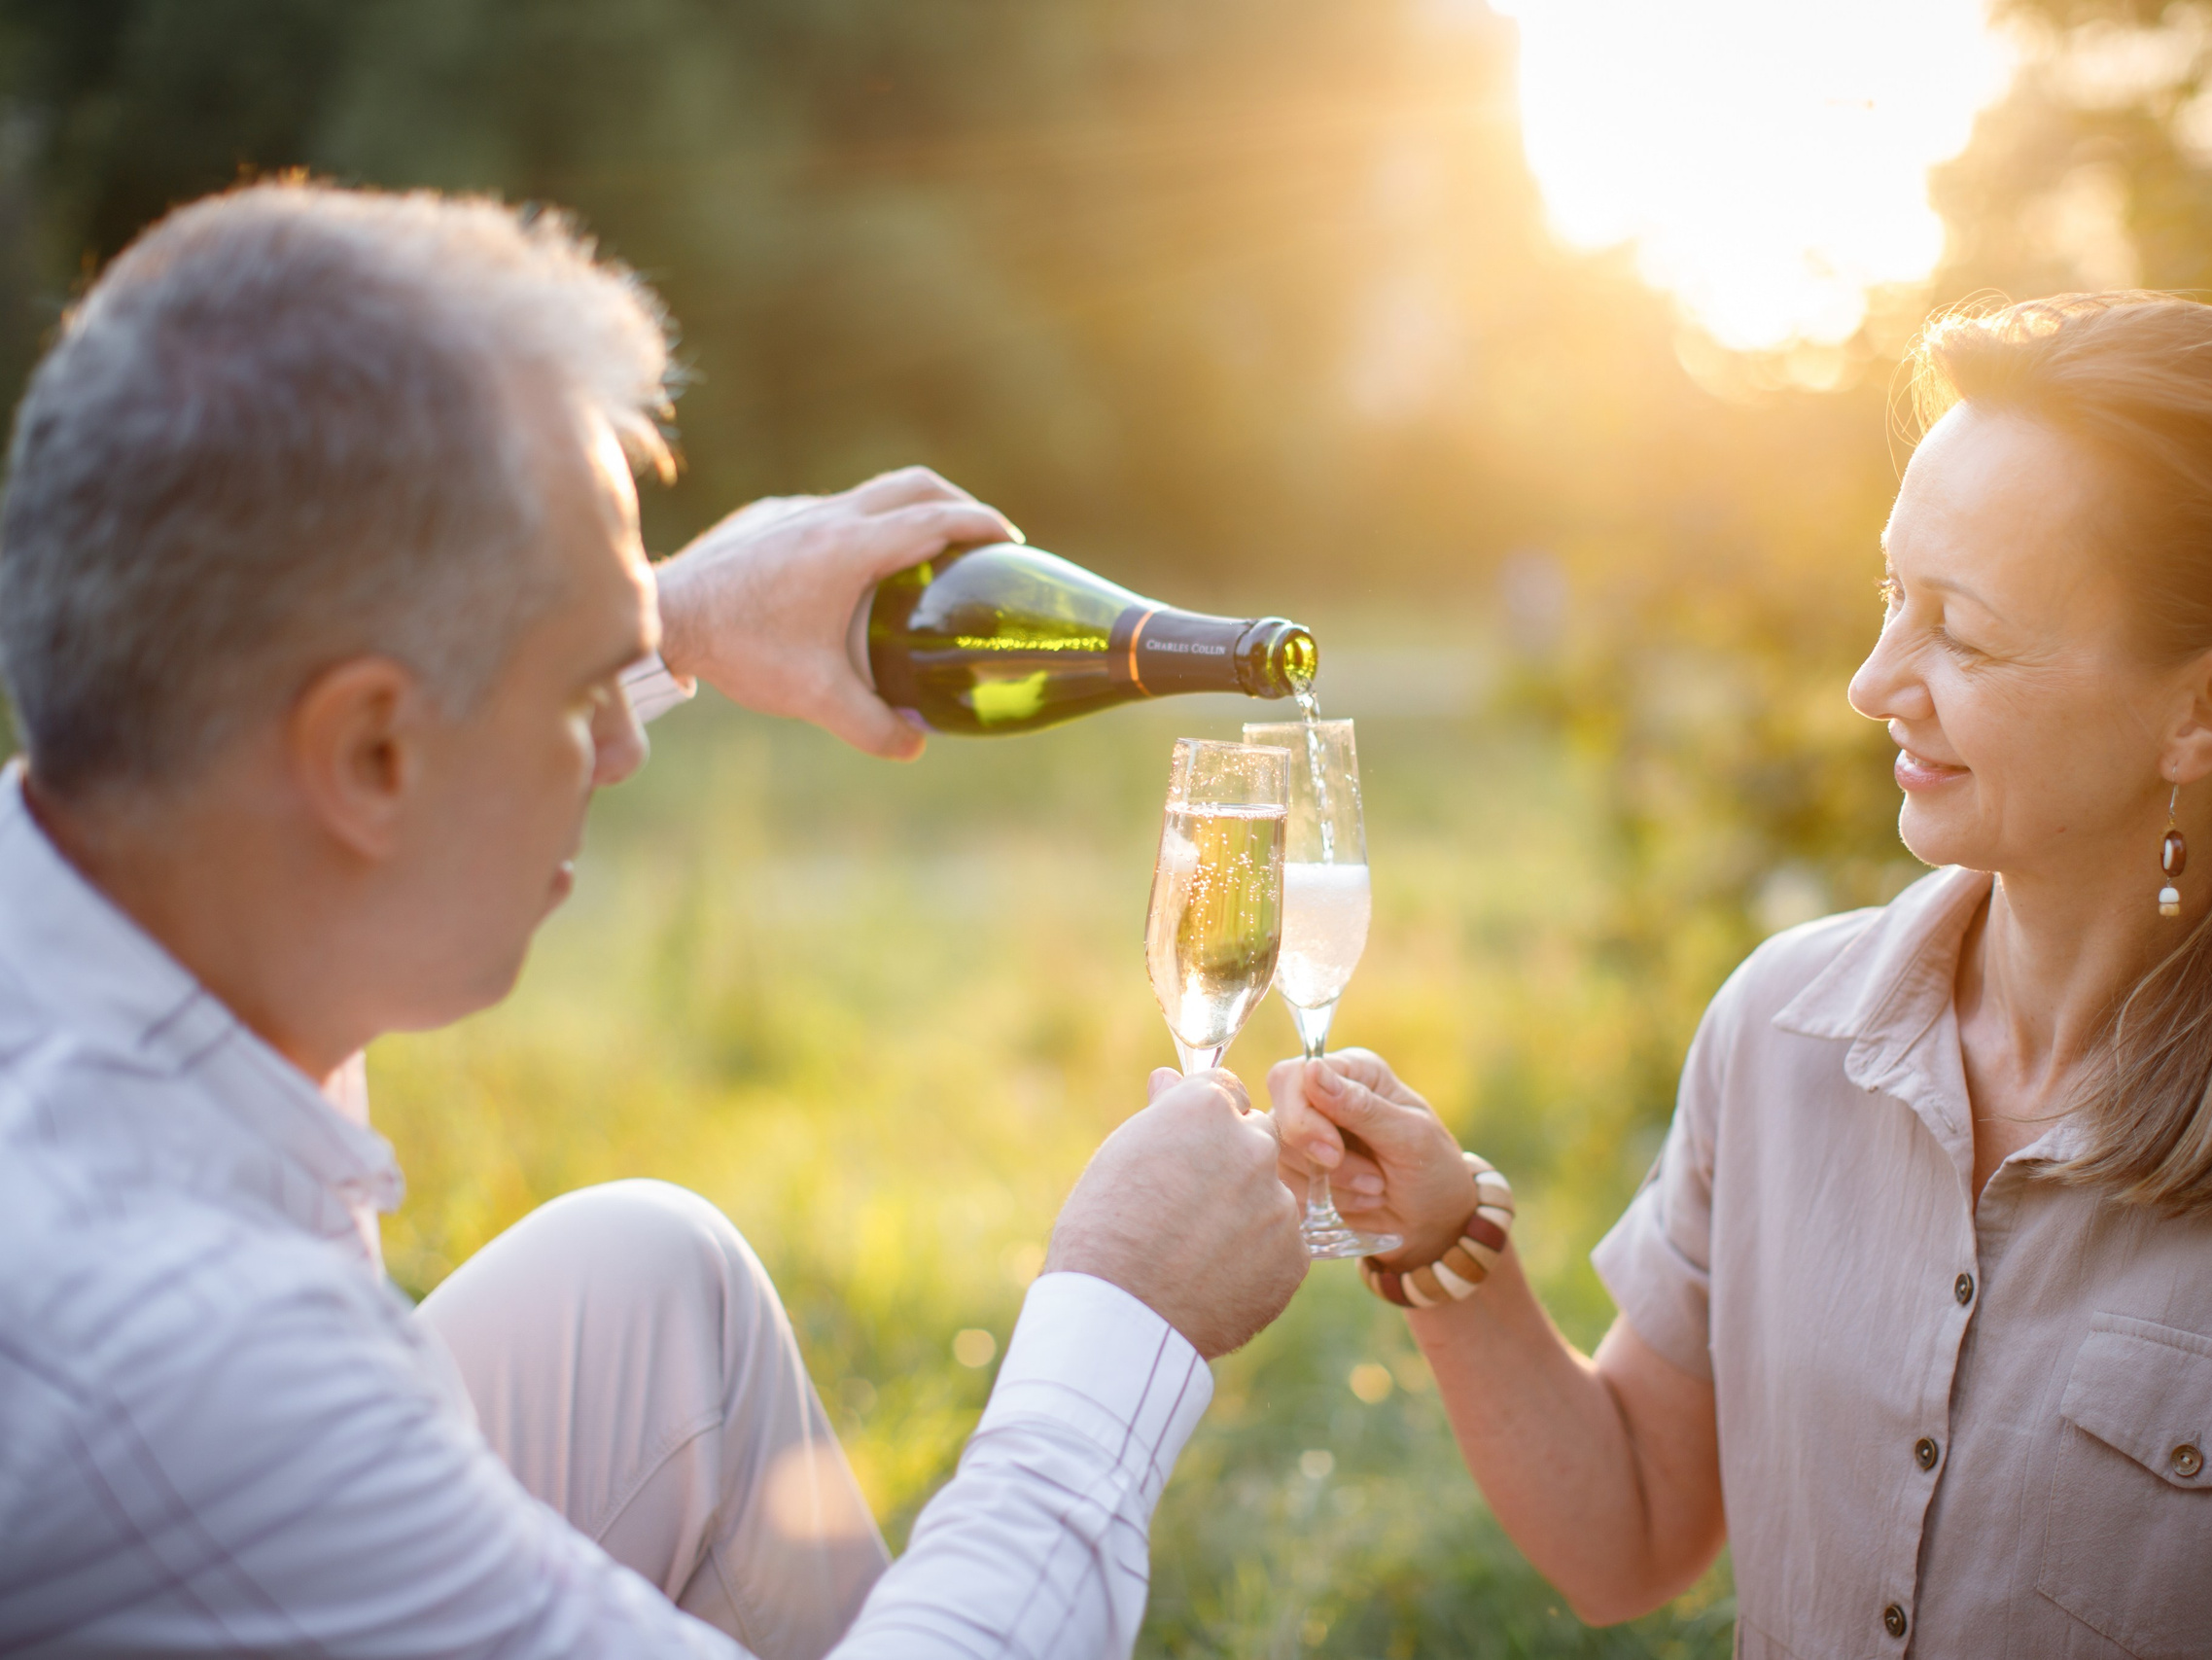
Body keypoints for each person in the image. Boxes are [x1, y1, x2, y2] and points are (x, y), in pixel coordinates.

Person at [0, 181, 1309, 1656]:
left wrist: (671, 615)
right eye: (585, 695)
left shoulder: (100, 878)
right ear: (368, 755)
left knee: (649, 1286)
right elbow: (228, 1405)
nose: (623, 749)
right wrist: (1121, 1323)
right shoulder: (195, 1358)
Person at [1272, 294, 2212, 1657]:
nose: (1871, 681)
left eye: (1960, 631)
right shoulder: (1775, 1030)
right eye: (1892, 597)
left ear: (2206, 710)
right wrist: (1442, 1237)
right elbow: (1627, 1534)